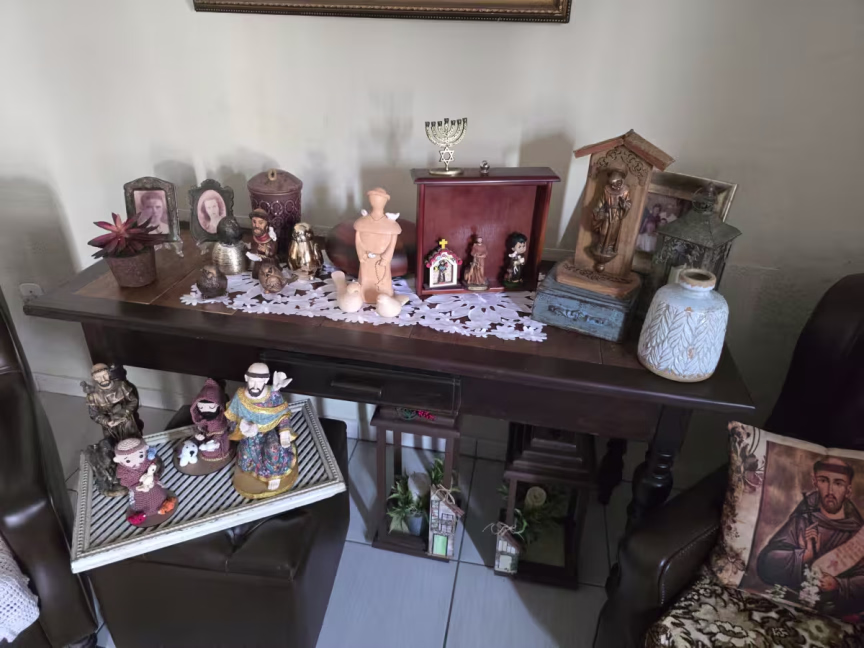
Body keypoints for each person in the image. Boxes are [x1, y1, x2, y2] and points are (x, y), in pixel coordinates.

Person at [757, 457, 864, 615]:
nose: (830, 491)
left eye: (838, 483)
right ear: (815, 482)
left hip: (832, 613)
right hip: (790, 606)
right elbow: (766, 563)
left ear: (848, 491)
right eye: (823, 481)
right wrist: (805, 555)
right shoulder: (802, 520)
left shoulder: (857, 533)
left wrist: (839, 585)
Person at [226, 363, 298, 498]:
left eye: (259, 382)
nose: (255, 386)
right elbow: (232, 416)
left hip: (270, 431)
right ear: (246, 378)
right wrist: (242, 426)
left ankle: (275, 474)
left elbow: (283, 414)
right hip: (250, 434)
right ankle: (255, 471)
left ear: (266, 380)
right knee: (246, 458)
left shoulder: (273, 395)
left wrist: (284, 431)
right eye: (252, 381)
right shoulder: (240, 396)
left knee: (273, 448)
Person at [590, 169, 632, 271]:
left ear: (620, 181)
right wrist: (597, 209)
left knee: (613, 233)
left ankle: (609, 247)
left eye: (615, 184)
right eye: (611, 184)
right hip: (607, 213)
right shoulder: (607, 189)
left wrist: (624, 205)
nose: (613, 187)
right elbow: (601, 200)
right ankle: (600, 245)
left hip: (617, 214)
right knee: (603, 232)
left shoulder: (625, 190)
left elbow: (628, 203)